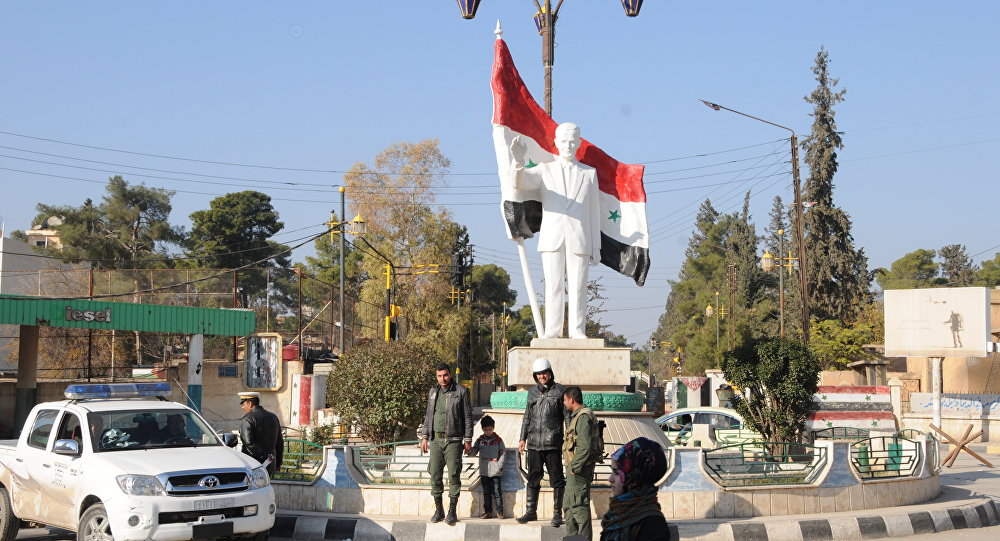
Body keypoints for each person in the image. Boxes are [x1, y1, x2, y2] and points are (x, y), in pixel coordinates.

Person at [509, 122, 601, 339]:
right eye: (564, 141)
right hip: (553, 237)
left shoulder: (589, 174)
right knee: (553, 286)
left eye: (572, 142)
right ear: (556, 143)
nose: (568, 146)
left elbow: (594, 213)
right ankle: (553, 330)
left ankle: (578, 330)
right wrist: (518, 161)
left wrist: (596, 245)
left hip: (580, 238)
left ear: (578, 143)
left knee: (579, 287)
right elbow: (519, 183)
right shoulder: (544, 169)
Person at [419, 363, 474, 526]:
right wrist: (424, 436)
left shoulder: (461, 391)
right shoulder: (433, 391)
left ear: (450, 375)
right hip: (435, 441)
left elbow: (468, 417)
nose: (442, 379)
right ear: (436, 376)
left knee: (453, 476)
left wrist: (468, 439)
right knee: (435, 475)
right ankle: (439, 509)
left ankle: (452, 511)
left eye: (445, 375)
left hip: (454, 441)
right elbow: (429, 415)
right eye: (439, 376)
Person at [517, 357, 566, 526]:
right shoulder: (531, 393)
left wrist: (567, 440)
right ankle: (531, 511)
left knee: (557, 479)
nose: (542, 376)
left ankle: (558, 513)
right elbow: (527, 417)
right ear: (535, 376)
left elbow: (567, 417)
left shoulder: (560, 391)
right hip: (534, 443)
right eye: (538, 374)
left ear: (550, 373)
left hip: (553, 442)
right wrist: (522, 438)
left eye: (544, 373)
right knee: (533, 478)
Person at [600, 438, 670, 541]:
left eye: (616, 473)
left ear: (635, 476)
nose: (610, 479)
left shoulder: (652, 525)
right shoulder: (617, 513)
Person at [562, 386, 598, 540]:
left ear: (572, 400)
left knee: (579, 510)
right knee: (569, 510)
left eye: (565, 400)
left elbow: (585, 447)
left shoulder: (583, 417)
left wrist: (575, 468)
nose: (564, 403)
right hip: (574, 471)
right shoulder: (578, 416)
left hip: (579, 472)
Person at [239, 391, 284, 475]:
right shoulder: (273, 417)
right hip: (270, 463)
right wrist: (278, 463)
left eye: (243, 404)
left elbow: (248, 443)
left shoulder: (248, 419)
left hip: (253, 465)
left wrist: (263, 456)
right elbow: (279, 442)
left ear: (250, 403)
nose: (242, 407)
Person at [471, 415, 506, 519]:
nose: (488, 432)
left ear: (493, 428)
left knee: (497, 492)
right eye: (486, 430)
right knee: (486, 492)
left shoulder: (498, 440)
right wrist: (467, 449)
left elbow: (503, 453)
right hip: (484, 471)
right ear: (482, 429)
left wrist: (499, 466)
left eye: (490, 429)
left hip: (495, 471)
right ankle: (487, 512)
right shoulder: (479, 440)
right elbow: (473, 452)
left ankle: (500, 511)